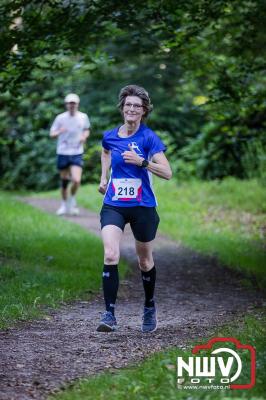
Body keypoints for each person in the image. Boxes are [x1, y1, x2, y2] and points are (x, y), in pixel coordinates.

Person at [97, 84, 172, 333]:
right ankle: (109, 315)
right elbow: (105, 152)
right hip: (114, 204)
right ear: (122, 108)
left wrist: (142, 162)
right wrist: (103, 177)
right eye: (128, 105)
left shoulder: (149, 138)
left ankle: (149, 306)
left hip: (143, 206)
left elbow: (167, 173)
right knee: (110, 254)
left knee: (144, 260)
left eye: (136, 106)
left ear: (143, 111)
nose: (131, 109)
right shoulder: (110, 135)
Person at [50, 93, 90, 215]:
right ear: (66, 104)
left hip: (77, 151)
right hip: (63, 151)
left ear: (77, 104)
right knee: (64, 181)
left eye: (74, 103)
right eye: (70, 103)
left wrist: (84, 136)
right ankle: (63, 205)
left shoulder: (83, 117)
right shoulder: (60, 118)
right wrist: (59, 132)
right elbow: (51, 134)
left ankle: (72, 200)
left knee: (76, 180)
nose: (72, 105)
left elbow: (86, 129)